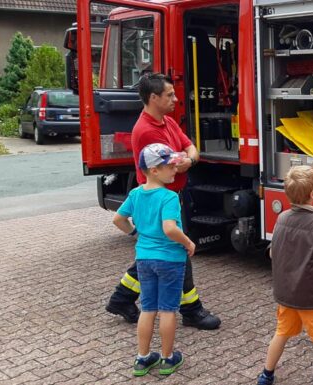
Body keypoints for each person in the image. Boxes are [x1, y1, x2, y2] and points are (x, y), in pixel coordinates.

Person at [105, 72, 221, 330]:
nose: (176, 99)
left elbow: (191, 149)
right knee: (178, 251)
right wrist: (186, 160)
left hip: (167, 196)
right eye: (170, 95)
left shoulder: (167, 122)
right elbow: (174, 166)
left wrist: (187, 159)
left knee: (151, 253)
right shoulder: (145, 131)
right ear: (153, 97)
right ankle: (191, 311)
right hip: (158, 199)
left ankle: (121, 299)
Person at [257, 165, 313, 385]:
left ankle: (266, 375)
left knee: (281, 332)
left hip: (286, 294)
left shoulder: (282, 218)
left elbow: (273, 253)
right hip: (312, 298)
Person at [113, 143, 195, 376]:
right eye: (169, 166)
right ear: (154, 171)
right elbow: (169, 229)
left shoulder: (136, 194)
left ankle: (143, 358)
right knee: (168, 310)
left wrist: (133, 233)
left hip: (144, 259)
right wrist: (187, 242)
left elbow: (118, 219)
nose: (175, 169)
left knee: (148, 308)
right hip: (170, 259)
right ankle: (168, 358)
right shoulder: (169, 197)